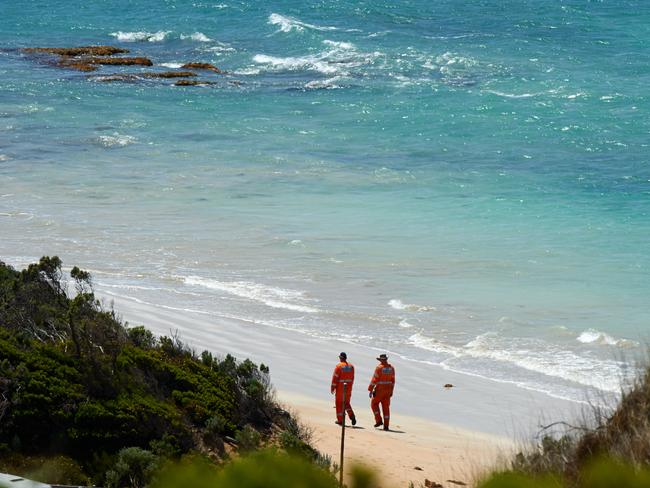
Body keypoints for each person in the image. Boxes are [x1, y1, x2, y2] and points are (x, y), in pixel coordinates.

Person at [368, 353, 395, 431]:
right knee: (386, 408)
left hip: (380, 390)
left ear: (380, 360)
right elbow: (393, 381)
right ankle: (386, 426)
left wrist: (370, 389)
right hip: (388, 390)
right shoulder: (391, 368)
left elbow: (374, 380)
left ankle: (379, 420)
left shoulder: (379, 368)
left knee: (374, 404)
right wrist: (391, 391)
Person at [331, 352, 356, 426]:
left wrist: (333, 387)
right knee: (346, 403)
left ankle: (340, 420)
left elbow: (335, 378)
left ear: (341, 358)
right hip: (348, 388)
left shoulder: (339, 366)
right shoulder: (351, 367)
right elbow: (352, 378)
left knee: (339, 404)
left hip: (340, 388)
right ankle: (351, 415)